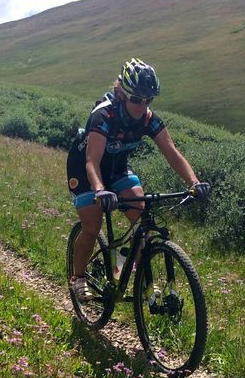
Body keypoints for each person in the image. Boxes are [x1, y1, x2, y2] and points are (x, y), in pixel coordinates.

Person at [67, 58, 210, 301]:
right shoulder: (104, 114)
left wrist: (194, 183)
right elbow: (92, 160)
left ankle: (120, 270)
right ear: (122, 92)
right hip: (85, 170)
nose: (141, 106)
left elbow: (172, 153)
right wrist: (100, 190)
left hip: (118, 168)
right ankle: (78, 277)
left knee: (140, 220)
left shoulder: (148, 118)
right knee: (92, 227)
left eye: (147, 101)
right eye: (136, 99)